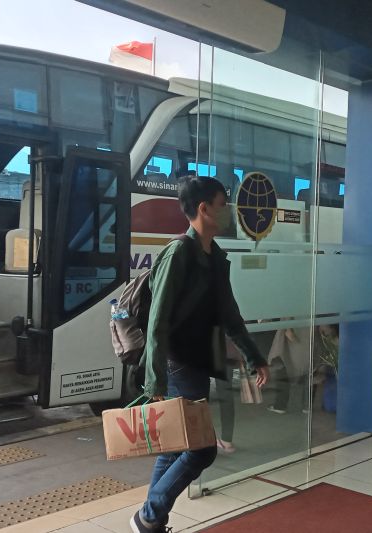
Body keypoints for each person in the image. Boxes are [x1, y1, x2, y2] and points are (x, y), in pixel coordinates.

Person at [131, 175, 270, 533]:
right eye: (224, 205)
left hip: (197, 362)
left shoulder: (217, 257)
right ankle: (148, 514)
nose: (229, 213)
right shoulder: (179, 252)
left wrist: (255, 357)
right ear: (204, 209)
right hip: (179, 364)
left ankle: (151, 524)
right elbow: (158, 320)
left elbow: (230, 316)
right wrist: (154, 379)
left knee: (176, 447)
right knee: (202, 449)